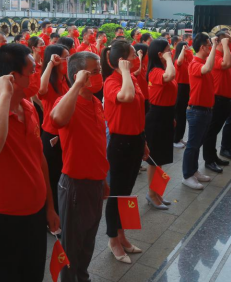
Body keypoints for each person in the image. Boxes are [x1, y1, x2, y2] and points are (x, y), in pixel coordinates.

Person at [0, 44, 60, 281]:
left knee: (33, 275)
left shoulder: (28, 107)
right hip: (2, 220)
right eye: (33, 71)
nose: (37, 76)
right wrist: (5, 96)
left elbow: (38, 159)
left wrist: (49, 207)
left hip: (35, 214)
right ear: (13, 77)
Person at [50, 52, 109, 282]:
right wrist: (76, 86)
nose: (99, 75)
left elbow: (98, 144)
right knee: (71, 246)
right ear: (78, 76)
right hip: (75, 184)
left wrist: (103, 179)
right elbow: (56, 119)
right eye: (94, 72)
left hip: (95, 182)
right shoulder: (67, 102)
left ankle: (82, 277)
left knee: (88, 240)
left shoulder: (95, 102)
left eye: (99, 71)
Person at [102, 40, 149, 264]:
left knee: (126, 192)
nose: (136, 58)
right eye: (132, 55)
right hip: (120, 143)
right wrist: (125, 73)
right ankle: (113, 239)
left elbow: (138, 111)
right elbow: (127, 97)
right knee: (117, 194)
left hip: (136, 140)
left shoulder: (131, 79)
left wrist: (143, 141)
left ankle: (122, 235)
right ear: (122, 61)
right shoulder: (111, 82)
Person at [182, 33, 217, 190]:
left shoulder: (203, 61)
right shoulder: (195, 63)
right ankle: (187, 175)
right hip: (197, 111)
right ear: (203, 47)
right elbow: (207, 68)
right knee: (192, 145)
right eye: (209, 45)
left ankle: (194, 171)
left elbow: (209, 66)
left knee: (197, 144)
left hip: (206, 110)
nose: (211, 47)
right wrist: (215, 45)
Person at [144, 39, 177, 209]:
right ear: (159, 54)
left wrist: (171, 116)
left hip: (166, 114)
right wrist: (169, 59)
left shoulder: (162, 70)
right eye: (167, 50)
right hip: (157, 116)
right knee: (154, 160)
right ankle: (151, 194)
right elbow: (171, 75)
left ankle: (157, 192)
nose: (170, 52)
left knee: (160, 159)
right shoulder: (155, 72)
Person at [38, 44, 70, 214]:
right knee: (52, 177)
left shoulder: (65, 80)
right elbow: (41, 89)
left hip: (66, 133)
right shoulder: (49, 82)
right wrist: (50, 64)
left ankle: (61, 211)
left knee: (63, 174)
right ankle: (52, 214)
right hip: (52, 135)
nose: (68, 60)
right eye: (65, 57)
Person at [201, 33, 231, 172]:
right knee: (211, 131)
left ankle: (213, 156)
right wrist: (225, 45)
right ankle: (209, 160)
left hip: (224, 100)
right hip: (217, 99)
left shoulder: (223, 55)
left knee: (215, 131)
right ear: (221, 43)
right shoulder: (214, 56)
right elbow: (227, 64)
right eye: (228, 42)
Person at [173, 42, 192, 148]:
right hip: (180, 87)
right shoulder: (177, 60)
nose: (188, 48)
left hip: (186, 87)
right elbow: (179, 61)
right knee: (179, 114)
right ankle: (175, 139)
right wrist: (183, 50)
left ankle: (179, 137)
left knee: (183, 115)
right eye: (186, 47)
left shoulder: (187, 60)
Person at [27, 36, 46, 123]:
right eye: (41, 45)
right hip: (38, 103)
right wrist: (41, 104)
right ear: (34, 48)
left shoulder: (44, 62)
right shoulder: (31, 65)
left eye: (44, 44)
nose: (44, 46)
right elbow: (31, 90)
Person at [133, 43, 150, 114]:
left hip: (146, 95)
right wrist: (139, 57)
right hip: (140, 95)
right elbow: (138, 71)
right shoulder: (135, 65)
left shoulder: (143, 65)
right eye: (147, 53)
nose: (148, 55)